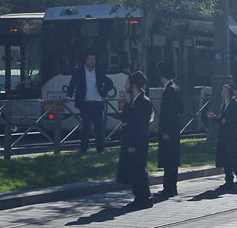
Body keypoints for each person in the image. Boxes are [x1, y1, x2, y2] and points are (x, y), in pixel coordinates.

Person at [66, 51, 113, 154]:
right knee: (86, 127)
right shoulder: (79, 71)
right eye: (90, 59)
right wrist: (69, 96)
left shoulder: (99, 71)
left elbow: (109, 83)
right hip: (85, 102)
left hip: (97, 102)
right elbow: (72, 84)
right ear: (86, 60)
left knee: (99, 127)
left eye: (94, 59)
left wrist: (103, 93)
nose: (92, 61)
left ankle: (100, 149)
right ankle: (84, 149)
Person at [121, 71, 154, 209]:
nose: (125, 86)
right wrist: (127, 104)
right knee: (134, 169)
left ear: (133, 85)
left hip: (138, 142)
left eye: (128, 83)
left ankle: (144, 197)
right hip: (131, 139)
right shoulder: (133, 101)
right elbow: (124, 118)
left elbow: (140, 126)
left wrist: (133, 144)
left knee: (140, 168)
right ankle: (138, 196)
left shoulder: (144, 102)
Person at [207, 83, 237, 191]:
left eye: (224, 91)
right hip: (224, 136)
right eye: (222, 91)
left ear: (230, 93)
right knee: (226, 159)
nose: (222, 93)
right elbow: (222, 121)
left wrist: (228, 120)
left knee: (235, 159)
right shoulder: (224, 104)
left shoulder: (236, 104)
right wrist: (215, 118)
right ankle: (229, 181)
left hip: (232, 135)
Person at [155, 61, 184, 198]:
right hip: (175, 130)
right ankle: (172, 187)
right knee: (172, 159)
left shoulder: (169, 90)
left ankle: (168, 188)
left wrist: (165, 131)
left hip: (169, 131)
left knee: (168, 160)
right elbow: (180, 109)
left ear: (163, 76)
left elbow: (169, 113)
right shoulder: (176, 88)